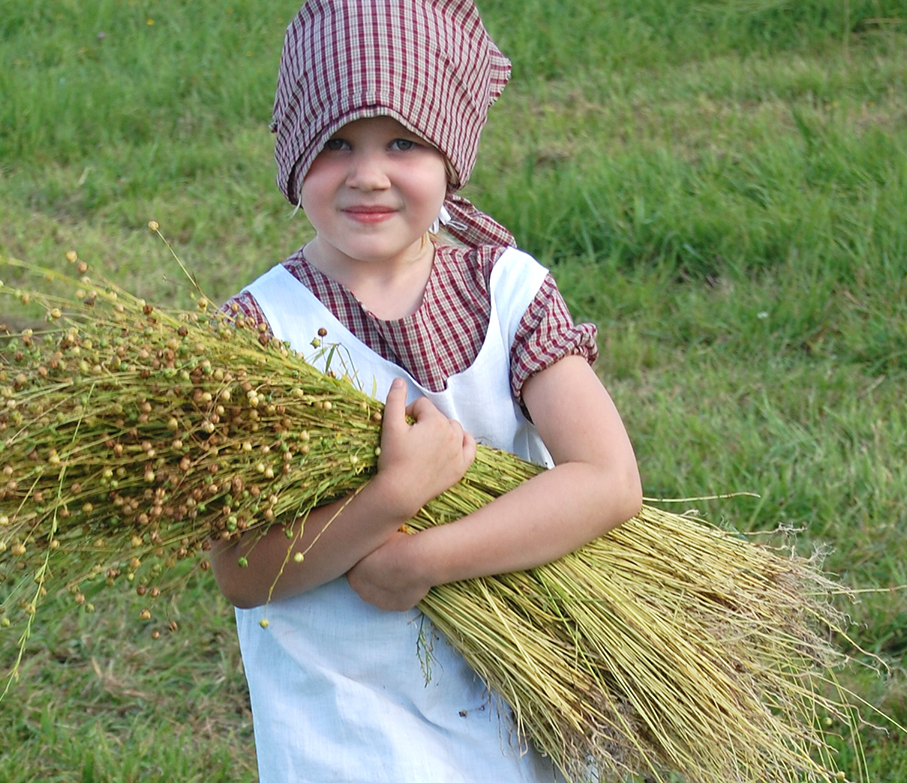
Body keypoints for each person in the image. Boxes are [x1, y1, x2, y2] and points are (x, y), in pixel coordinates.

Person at [209, 1, 643, 780]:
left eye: (402, 141)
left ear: (451, 150)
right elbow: (243, 571)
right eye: (336, 143)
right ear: (293, 150)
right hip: (342, 733)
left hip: (511, 713)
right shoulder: (257, 331)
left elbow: (606, 480)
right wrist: (393, 495)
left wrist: (422, 562)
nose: (368, 173)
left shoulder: (507, 292)